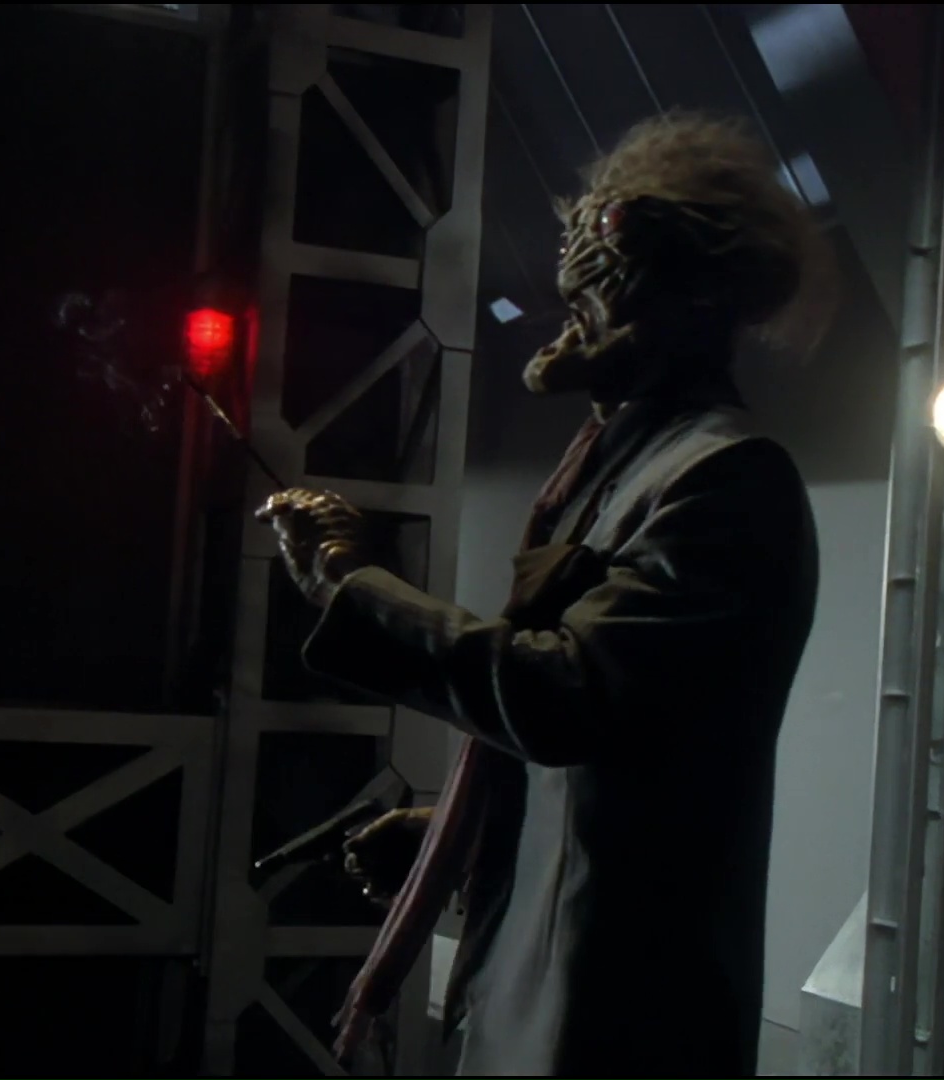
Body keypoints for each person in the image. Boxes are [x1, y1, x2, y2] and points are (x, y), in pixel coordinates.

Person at [255, 110, 829, 1076]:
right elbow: (615, 761)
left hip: (623, 1029)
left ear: (695, 299)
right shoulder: (624, 471)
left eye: (608, 265)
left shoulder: (726, 478)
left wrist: (352, 585)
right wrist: (473, 844)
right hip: (559, 1009)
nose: (569, 299)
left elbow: (566, 697)